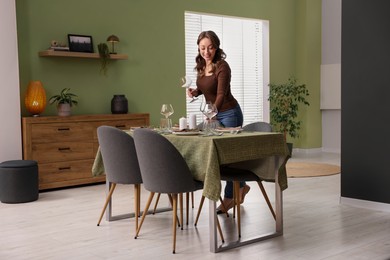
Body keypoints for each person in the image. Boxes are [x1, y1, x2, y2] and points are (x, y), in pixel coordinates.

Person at [187, 30, 250, 214]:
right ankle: (241, 187)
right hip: (213, 114)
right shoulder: (201, 66)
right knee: (215, 152)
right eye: (203, 48)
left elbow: (221, 93)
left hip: (229, 113)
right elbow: (205, 88)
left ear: (216, 47)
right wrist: (194, 92)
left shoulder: (223, 66)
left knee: (229, 155)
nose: (206, 52)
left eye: (210, 47)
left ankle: (230, 196)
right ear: (199, 48)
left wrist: (211, 113)